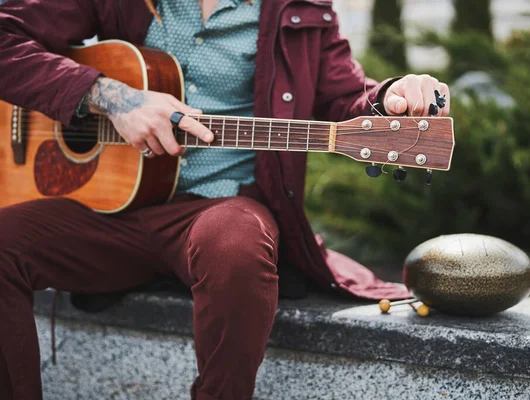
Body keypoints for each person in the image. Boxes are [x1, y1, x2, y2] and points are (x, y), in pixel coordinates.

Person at [0, 0, 451, 399]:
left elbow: (346, 96)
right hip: (112, 210)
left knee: (236, 245)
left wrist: (390, 97)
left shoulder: (300, 8)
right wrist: (111, 97)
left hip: (221, 206)